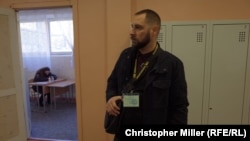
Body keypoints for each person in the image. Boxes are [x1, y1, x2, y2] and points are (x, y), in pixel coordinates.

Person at [105, 9, 189, 140]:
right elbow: (112, 83)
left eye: (138, 28)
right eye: (132, 26)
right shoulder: (125, 56)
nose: (131, 32)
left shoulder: (172, 64)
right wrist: (110, 98)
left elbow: (179, 108)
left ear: (154, 31)